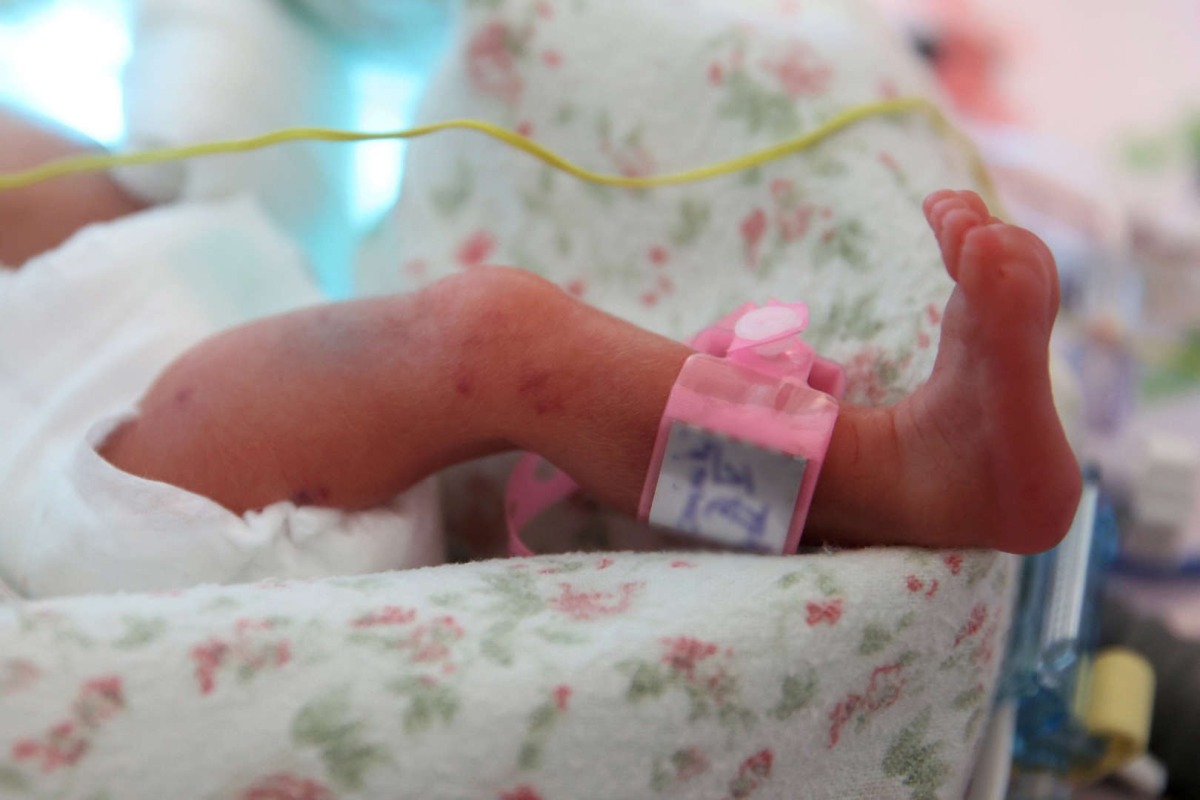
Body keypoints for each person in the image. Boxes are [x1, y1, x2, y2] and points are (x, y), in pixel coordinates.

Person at [0, 103, 1080, 598]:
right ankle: (890, 474)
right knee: (491, 340)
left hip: (221, 444)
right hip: (136, 502)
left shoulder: (115, 176)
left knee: (491, 341)